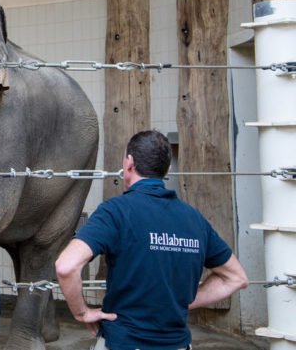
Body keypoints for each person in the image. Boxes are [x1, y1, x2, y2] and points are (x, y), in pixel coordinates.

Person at [55, 130, 249, 350]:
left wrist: (83, 313)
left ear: (129, 163)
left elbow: (66, 266)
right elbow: (237, 278)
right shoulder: (195, 219)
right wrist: (181, 302)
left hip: (125, 343)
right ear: (167, 170)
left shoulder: (115, 212)